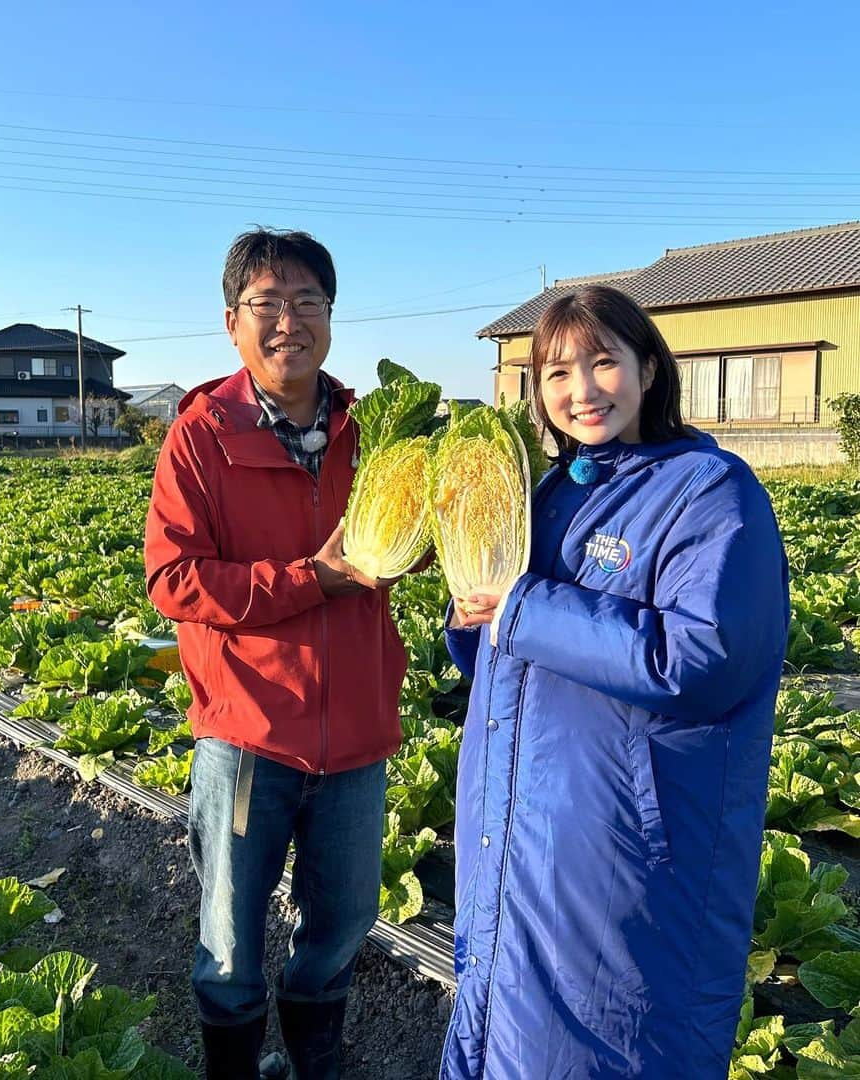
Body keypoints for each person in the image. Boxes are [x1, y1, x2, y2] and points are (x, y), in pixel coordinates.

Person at [438, 285, 789, 1079]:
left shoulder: (710, 492)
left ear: (649, 369)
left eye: (604, 363)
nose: (582, 390)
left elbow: (701, 660)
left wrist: (522, 605)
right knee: (504, 1037)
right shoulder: (551, 492)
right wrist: (473, 624)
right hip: (519, 841)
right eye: (558, 372)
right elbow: (513, 657)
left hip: (623, 858)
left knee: (609, 1045)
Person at [144, 228, 408, 1079]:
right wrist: (309, 580)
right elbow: (175, 581)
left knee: (341, 926)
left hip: (358, 738)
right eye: (267, 303)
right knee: (229, 937)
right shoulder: (200, 436)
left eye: (306, 302)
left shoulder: (377, 434)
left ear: (331, 315)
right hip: (249, 738)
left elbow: (403, 549)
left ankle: (313, 1064)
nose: (288, 320)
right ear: (233, 322)